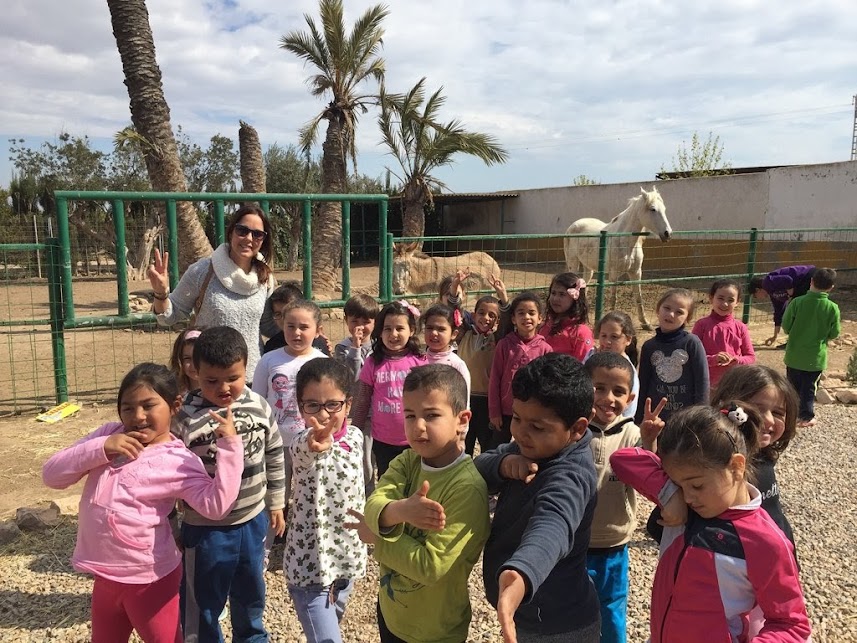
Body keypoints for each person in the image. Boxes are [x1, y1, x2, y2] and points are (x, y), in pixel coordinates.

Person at [42, 363, 243, 643]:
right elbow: (52, 475)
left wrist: (231, 447)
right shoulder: (108, 435)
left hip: (149, 578)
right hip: (104, 574)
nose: (137, 417)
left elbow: (216, 505)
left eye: (149, 406)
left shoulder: (178, 460)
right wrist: (101, 449)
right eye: (127, 408)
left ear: (174, 405)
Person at [610, 404, 811, 643]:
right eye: (678, 485)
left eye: (696, 486)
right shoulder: (685, 504)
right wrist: (669, 493)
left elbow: (792, 625)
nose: (688, 496)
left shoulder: (765, 541)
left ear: (737, 466)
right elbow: (622, 459)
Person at [345, 364, 490, 643]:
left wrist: (376, 534)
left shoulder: (466, 488)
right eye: (410, 415)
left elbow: (429, 567)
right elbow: (373, 503)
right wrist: (400, 511)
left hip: (434, 630)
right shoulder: (407, 462)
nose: (418, 426)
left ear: (462, 420)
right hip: (391, 612)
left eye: (432, 415)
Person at [476, 353, 600, 643]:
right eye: (517, 418)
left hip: (558, 627)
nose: (520, 432)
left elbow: (551, 528)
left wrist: (521, 573)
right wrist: (503, 466)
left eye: (537, 427)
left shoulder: (570, 476)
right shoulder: (527, 448)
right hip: (529, 614)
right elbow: (477, 466)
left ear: (578, 428)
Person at [174, 326, 286, 642]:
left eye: (232, 378)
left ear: (246, 367)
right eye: (212, 381)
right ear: (194, 371)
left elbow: (274, 452)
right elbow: (168, 470)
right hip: (204, 528)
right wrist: (171, 524)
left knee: (250, 594)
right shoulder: (185, 415)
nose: (223, 388)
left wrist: (276, 501)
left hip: (252, 522)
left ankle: (252, 637)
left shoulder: (258, 406)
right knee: (202, 604)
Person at [286, 358, 367, 643]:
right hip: (311, 567)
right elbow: (306, 450)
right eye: (313, 406)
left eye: (333, 405)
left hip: (346, 561)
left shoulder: (356, 437)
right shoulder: (301, 442)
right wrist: (313, 442)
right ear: (300, 407)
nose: (324, 415)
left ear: (348, 404)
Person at [148, 204, 276, 379]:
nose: (248, 238)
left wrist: (311, 332)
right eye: (242, 230)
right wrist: (161, 293)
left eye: (257, 234)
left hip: (252, 377)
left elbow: (268, 325)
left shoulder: (265, 278)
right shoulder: (202, 271)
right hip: (210, 378)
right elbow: (169, 317)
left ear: (263, 241)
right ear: (231, 232)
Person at [584, 351, 659, 643]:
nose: (608, 398)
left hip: (613, 543)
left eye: (618, 391)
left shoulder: (632, 434)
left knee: (612, 608)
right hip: (572, 541)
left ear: (630, 399)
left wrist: (650, 441)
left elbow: (651, 479)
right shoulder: (573, 431)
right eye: (598, 388)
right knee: (570, 608)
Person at [711, 365, 799, 550]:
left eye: (777, 413)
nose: (768, 420)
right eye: (757, 410)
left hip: (779, 551)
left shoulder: (764, 456)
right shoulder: (718, 465)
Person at [253, 300, 328, 484]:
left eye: (304, 327)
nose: (296, 332)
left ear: (318, 330)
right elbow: (258, 401)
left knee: (310, 493)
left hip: (312, 441)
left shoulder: (323, 362)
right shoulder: (268, 360)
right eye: (291, 326)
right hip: (276, 443)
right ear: (282, 326)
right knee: (277, 494)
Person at [351, 301, 426, 477]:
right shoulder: (373, 362)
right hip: (383, 440)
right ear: (380, 331)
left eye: (400, 328)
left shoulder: (420, 362)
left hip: (414, 438)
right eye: (387, 328)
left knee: (415, 481)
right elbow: (362, 400)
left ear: (412, 330)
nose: (393, 334)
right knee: (388, 481)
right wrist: (354, 432)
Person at [453, 274, 511, 456]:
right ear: (473, 314)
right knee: (464, 443)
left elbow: (508, 322)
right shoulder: (464, 334)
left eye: (492, 315)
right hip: (465, 398)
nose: (486, 318)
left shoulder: (498, 339)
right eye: (481, 313)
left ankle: (486, 480)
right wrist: (455, 286)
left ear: (497, 321)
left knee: (487, 444)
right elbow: (454, 313)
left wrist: (503, 297)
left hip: (488, 401)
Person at [488, 292, 553, 448]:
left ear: (540, 319)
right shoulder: (504, 345)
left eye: (531, 313)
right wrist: (494, 412)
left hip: (532, 412)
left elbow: (548, 384)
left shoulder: (546, 349)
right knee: (497, 449)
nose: (526, 317)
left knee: (528, 447)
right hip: (505, 412)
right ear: (513, 319)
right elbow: (495, 378)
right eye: (521, 313)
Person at [636, 288, 709, 426]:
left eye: (679, 312)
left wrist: (700, 417)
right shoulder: (649, 346)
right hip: (656, 419)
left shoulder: (692, 343)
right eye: (667, 308)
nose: (671, 314)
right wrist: (639, 418)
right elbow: (643, 384)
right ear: (658, 310)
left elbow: (702, 382)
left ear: (687, 318)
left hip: (685, 420)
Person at [782, 267, 840, 427]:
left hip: (794, 355)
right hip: (815, 357)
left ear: (811, 281)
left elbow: (786, 326)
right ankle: (806, 416)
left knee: (792, 386)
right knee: (809, 387)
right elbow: (834, 333)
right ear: (831, 287)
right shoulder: (832, 308)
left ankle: (789, 414)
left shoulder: (796, 302)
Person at [333, 293, 379, 493]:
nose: (360, 326)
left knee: (373, 457)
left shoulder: (380, 346)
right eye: (355, 321)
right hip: (355, 415)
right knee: (360, 458)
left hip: (377, 411)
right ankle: (359, 494)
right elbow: (352, 376)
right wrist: (356, 349)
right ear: (346, 321)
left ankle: (372, 495)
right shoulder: (342, 348)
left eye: (366, 321)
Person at [692, 278, 755, 390]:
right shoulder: (701, 325)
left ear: (737, 302)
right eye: (720, 298)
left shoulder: (740, 327)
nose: (725, 304)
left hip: (734, 385)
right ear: (711, 298)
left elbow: (750, 357)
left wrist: (737, 360)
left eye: (730, 300)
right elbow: (693, 357)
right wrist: (713, 359)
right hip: (706, 385)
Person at [587, 311, 640, 419]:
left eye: (614, 337)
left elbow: (628, 411)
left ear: (628, 339)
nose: (607, 341)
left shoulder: (628, 372)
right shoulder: (591, 356)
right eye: (603, 336)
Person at [749, 264, 815, 347]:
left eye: (755, 296)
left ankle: (794, 342)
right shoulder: (773, 293)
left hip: (807, 276)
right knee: (797, 311)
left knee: (795, 310)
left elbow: (788, 279)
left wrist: (790, 290)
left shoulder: (767, 283)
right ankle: (797, 341)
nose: (758, 298)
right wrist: (774, 336)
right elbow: (779, 312)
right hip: (806, 281)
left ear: (757, 290)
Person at [263, 281, 332, 356]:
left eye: (289, 313)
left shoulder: (318, 342)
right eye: (278, 314)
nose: (284, 319)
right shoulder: (272, 346)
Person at [538, 271, 594, 361]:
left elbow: (583, 366)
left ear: (575, 298)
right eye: (553, 293)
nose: (555, 299)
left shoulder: (581, 333)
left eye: (562, 294)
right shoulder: (545, 326)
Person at [422, 303, 472, 401]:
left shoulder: (457, 365)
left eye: (441, 329)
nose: (434, 333)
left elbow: (463, 401)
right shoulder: (417, 360)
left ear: (454, 334)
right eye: (429, 328)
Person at [169, 328, 201, 396]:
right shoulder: (173, 392)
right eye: (187, 358)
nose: (194, 365)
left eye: (199, 357)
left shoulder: (219, 391)